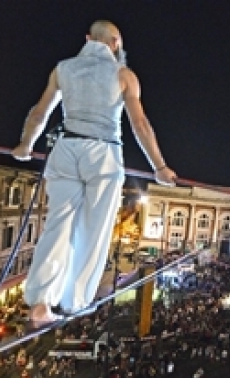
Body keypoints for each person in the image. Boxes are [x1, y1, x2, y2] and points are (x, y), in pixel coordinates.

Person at [12, 20, 177, 323]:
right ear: (116, 44)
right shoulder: (123, 75)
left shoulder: (63, 68)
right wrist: (160, 167)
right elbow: (140, 125)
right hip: (102, 154)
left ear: (88, 39)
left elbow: (40, 112)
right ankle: (74, 302)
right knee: (93, 231)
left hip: (66, 149)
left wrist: (25, 145)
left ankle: (40, 301)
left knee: (57, 226)